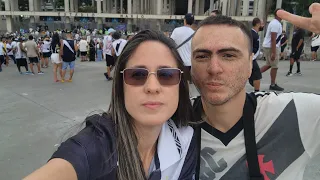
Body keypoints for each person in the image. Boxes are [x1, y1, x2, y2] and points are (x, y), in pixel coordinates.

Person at [23, 30, 196, 180]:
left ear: (180, 86)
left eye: (166, 75)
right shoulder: (96, 146)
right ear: (120, 86)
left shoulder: (185, 140)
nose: (152, 87)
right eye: (137, 75)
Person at [191, 15, 320, 180]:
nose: (214, 68)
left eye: (229, 55)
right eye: (202, 56)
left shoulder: (292, 114)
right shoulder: (172, 124)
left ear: (250, 63)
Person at [260, 9, 284, 91]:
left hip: (270, 46)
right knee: (275, 66)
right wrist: (273, 52)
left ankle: (255, 74)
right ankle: (273, 84)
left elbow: (276, 38)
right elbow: (273, 38)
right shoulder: (275, 24)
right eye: (282, 13)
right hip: (271, 47)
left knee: (269, 64)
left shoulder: (276, 23)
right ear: (278, 14)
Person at [171, 13, 195, 84]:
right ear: (192, 22)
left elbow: (170, 43)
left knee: (177, 83)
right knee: (188, 85)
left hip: (178, 63)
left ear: (184, 20)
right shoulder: (194, 33)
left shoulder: (176, 31)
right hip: (189, 65)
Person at [249, 17, 263, 92]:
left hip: (251, 58)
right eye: (262, 24)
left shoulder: (253, 33)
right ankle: (257, 93)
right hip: (251, 58)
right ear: (258, 24)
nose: (263, 26)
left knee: (253, 75)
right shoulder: (253, 34)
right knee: (257, 76)